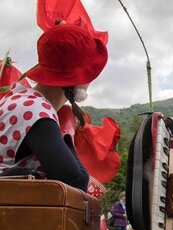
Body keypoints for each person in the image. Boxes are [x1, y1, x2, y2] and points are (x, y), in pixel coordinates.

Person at [0, 25, 108, 191]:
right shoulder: (37, 111)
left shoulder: (17, 98)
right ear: (77, 78)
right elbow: (75, 181)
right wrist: (66, 132)